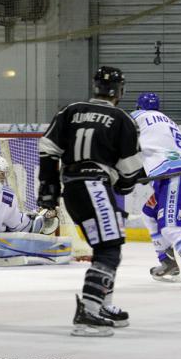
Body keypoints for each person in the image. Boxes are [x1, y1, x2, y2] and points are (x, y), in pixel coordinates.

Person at [37, 66, 143, 337]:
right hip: (95, 187)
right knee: (109, 248)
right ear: (120, 91)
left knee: (107, 242)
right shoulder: (122, 118)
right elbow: (130, 171)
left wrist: (48, 189)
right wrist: (126, 181)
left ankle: (103, 305)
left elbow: (48, 148)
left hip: (72, 189)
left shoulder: (70, 111)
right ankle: (89, 311)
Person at [130, 92, 181, 289]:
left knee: (171, 226)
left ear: (138, 107)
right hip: (178, 174)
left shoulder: (137, 117)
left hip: (174, 175)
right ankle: (167, 263)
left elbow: (123, 139)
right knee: (149, 214)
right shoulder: (169, 121)